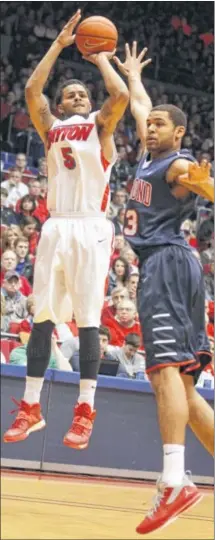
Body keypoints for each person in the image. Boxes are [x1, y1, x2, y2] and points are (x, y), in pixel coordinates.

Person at [3, 10, 129, 451]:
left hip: (91, 227)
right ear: (60, 106)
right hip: (56, 226)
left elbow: (119, 94)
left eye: (82, 94)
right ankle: (31, 407)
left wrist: (99, 57)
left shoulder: (100, 125)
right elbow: (32, 89)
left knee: (90, 321)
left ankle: (85, 410)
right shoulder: (51, 127)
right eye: (71, 94)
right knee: (41, 317)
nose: (78, 96)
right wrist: (59, 45)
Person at [114, 42, 214, 534]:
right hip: (177, 267)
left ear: (178, 133)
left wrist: (204, 184)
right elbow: (138, 104)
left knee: (163, 372)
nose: (149, 126)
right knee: (188, 395)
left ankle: (173, 481)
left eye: (159, 123)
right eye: (147, 122)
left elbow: (196, 182)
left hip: (166, 265)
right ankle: (178, 477)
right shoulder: (147, 156)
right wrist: (133, 76)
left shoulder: (176, 164)